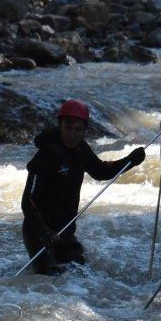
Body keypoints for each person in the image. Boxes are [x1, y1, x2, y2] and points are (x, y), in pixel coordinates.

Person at [21, 99, 146, 275]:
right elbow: (28, 201)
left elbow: (101, 171)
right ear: (60, 124)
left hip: (65, 232)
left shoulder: (81, 149)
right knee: (51, 281)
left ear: (85, 130)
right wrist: (44, 232)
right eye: (68, 128)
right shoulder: (46, 154)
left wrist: (129, 161)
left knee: (80, 275)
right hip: (40, 234)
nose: (72, 134)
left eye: (77, 129)